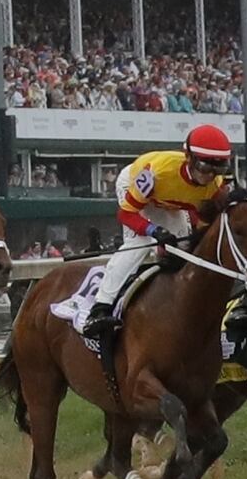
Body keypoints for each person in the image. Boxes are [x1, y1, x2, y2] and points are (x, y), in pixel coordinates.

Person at [83, 125, 232, 339]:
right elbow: (126, 214)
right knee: (139, 244)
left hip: (168, 202)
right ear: (188, 157)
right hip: (137, 189)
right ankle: (100, 309)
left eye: (217, 169)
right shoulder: (157, 172)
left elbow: (204, 221)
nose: (209, 175)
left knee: (181, 249)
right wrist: (154, 230)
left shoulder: (215, 185)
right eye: (204, 166)